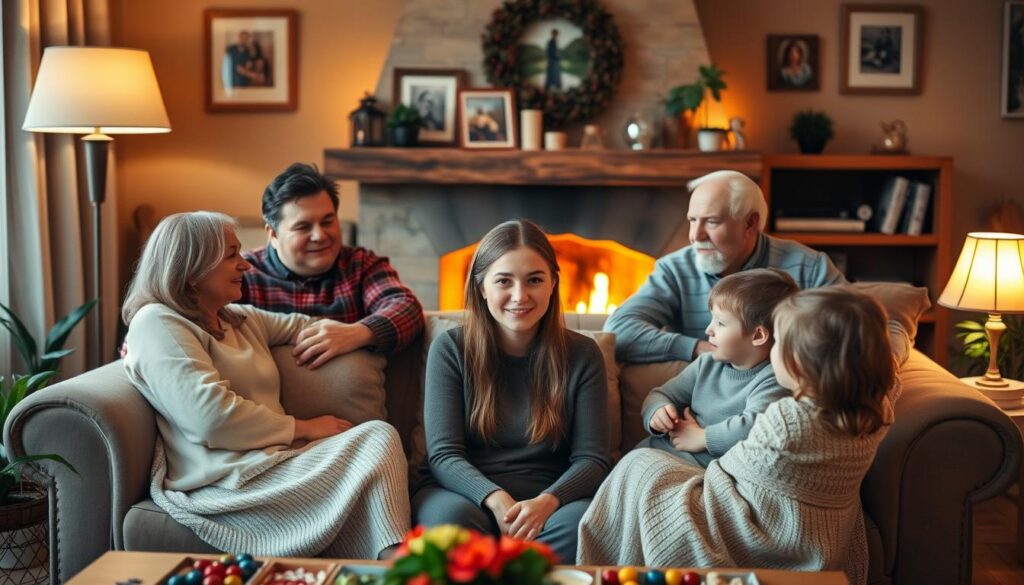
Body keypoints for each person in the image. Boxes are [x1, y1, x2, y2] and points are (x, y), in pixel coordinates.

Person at [121, 211, 410, 558]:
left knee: (378, 439)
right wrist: (303, 428)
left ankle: (391, 560)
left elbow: (309, 326)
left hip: (272, 464)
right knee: (377, 438)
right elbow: (210, 418)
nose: (245, 265)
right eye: (231, 255)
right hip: (223, 482)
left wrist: (357, 333)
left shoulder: (239, 319)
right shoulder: (157, 322)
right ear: (192, 269)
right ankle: (397, 561)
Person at [578, 286, 901, 585]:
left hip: (771, 530)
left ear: (801, 362)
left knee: (641, 466)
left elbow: (727, 475)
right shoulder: (878, 410)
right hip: (826, 534)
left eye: (781, 342)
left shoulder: (788, 419)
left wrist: (699, 439)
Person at [412, 219, 611, 563]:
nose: (520, 296)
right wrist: (494, 497)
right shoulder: (450, 349)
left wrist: (548, 501)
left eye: (534, 279)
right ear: (482, 287)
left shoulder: (583, 354)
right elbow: (444, 454)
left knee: (581, 525)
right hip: (463, 494)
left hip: (552, 500)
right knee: (448, 525)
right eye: (504, 281)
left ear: (553, 284)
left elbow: (592, 459)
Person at [603, 169, 910, 364]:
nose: (695, 236)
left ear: (750, 223)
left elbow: (868, 328)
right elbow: (618, 331)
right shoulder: (674, 269)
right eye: (692, 221)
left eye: (711, 222)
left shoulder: (808, 267)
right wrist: (701, 348)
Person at [240, 163, 424, 369]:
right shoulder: (242, 273)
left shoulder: (362, 264)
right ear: (273, 235)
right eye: (303, 226)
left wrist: (358, 332)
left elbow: (407, 307)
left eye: (327, 222)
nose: (320, 236)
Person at [639, 268, 797, 468]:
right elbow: (661, 394)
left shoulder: (774, 379)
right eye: (712, 318)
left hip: (695, 470)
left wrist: (703, 437)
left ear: (758, 336)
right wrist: (657, 411)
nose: (708, 330)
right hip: (657, 450)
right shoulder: (707, 364)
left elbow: (756, 425)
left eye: (721, 323)